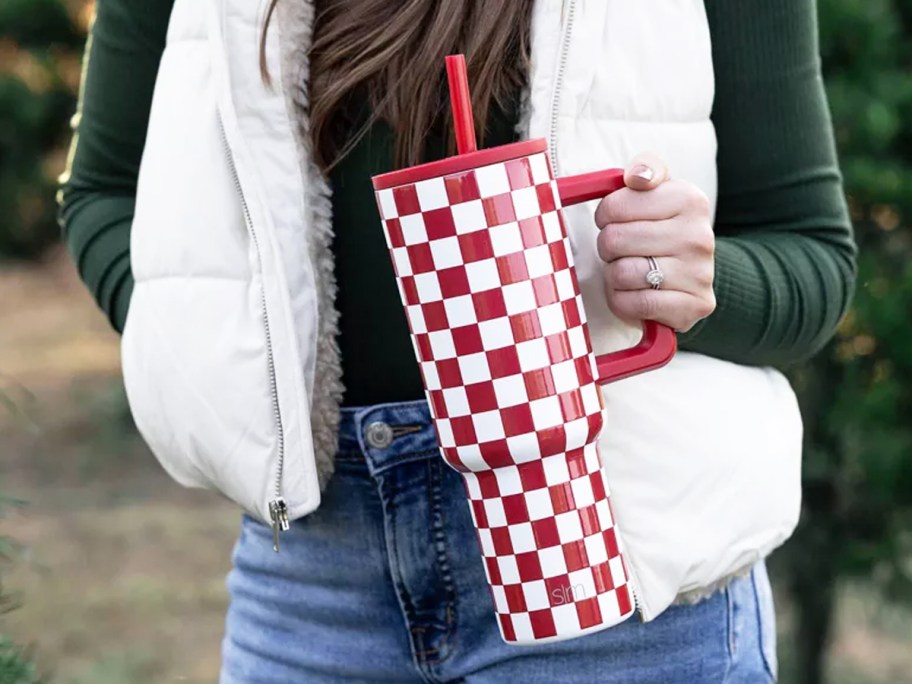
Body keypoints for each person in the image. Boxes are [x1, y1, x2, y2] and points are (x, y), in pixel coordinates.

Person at [59, 1, 856, 682]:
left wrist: (697, 283)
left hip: (609, 571)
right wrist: (206, 339)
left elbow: (813, 260)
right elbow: (101, 195)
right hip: (311, 571)